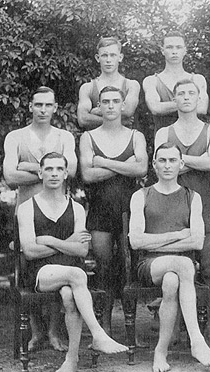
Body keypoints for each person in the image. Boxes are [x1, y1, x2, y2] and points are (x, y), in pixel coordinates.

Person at [17, 152, 128, 372]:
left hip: (69, 273)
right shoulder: (27, 208)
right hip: (41, 273)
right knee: (77, 274)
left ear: (66, 173)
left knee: (69, 295)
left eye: (59, 169)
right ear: (40, 173)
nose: (54, 173)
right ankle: (98, 334)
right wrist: (68, 244)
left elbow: (82, 250)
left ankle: (72, 360)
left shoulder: (76, 208)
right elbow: (29, 251)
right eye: (48, 169)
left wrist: (49, 240)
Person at [129, 143, 210, 372]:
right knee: (183, 264)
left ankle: (160, 353)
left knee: (173, 280)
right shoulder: (141, 195)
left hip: (180, 270)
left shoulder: (193, 197)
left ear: (181, 165)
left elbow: (196, 242)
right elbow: (136, 242)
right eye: (162, 160)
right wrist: (177, 235)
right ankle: (197, 341)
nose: (167, 165)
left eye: (173, 160)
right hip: (150, 264)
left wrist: (158, 239)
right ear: (154, 165)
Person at [3, 86, 77, 352]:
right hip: (27, 212)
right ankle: (36, 332)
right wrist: (46, 171)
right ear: (31, 107)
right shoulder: (16, 137)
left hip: (58, 213)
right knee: (27, 269)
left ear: (56, 108)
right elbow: (10, 177)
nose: (43, 110)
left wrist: (27, 166)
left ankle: (55, 332)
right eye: (38, 105)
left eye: (48, 105)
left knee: (58, 262)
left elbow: (73, 169)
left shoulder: (64, 136)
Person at [154, 79, 210, 344]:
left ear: (199, 98)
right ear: (174, 99)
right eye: (180, 93)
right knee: (174, 268)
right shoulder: (164, 132)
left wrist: (181, 160)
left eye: (190, 93)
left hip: (203, 205)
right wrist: (198, 162)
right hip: (172, 207)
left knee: (207, 269)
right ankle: (173, 327)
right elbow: (161, 166)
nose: (185, 97)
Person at [79, 86, 148, 334]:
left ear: (122, 106)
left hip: (129, 213)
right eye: (105, 101)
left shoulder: (135, 136)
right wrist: (123, 164)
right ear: (98, 107)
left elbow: (141, 170)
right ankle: (104, 326)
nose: (110, 106)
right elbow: (87, 174)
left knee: (129, 268)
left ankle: (132, 331)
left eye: (115, 101)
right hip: (99, 212)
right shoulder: (88, 138)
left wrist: (103, 162)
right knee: (104, 268)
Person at [143, 31, 209, 133]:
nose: (174, 51)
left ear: (185, 50)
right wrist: (188, 104)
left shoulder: (197, 79)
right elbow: (155, 108)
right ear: (162, 50)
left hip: (194, 137)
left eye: (178, 47)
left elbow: (202, 108)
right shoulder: (152, 81)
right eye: (169, 47)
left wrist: (167, 105)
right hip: (165, 141)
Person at [77, 37, 140, 129]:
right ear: (98, 58)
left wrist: (95, 111)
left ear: (120, 57)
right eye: (104, 55)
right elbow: (83, 119)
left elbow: (127, 111)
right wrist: (119, 121)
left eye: (113, 55)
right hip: (96, 140)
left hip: (124, 140)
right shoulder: (87, 88)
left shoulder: (131, 85)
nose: (108, 60)